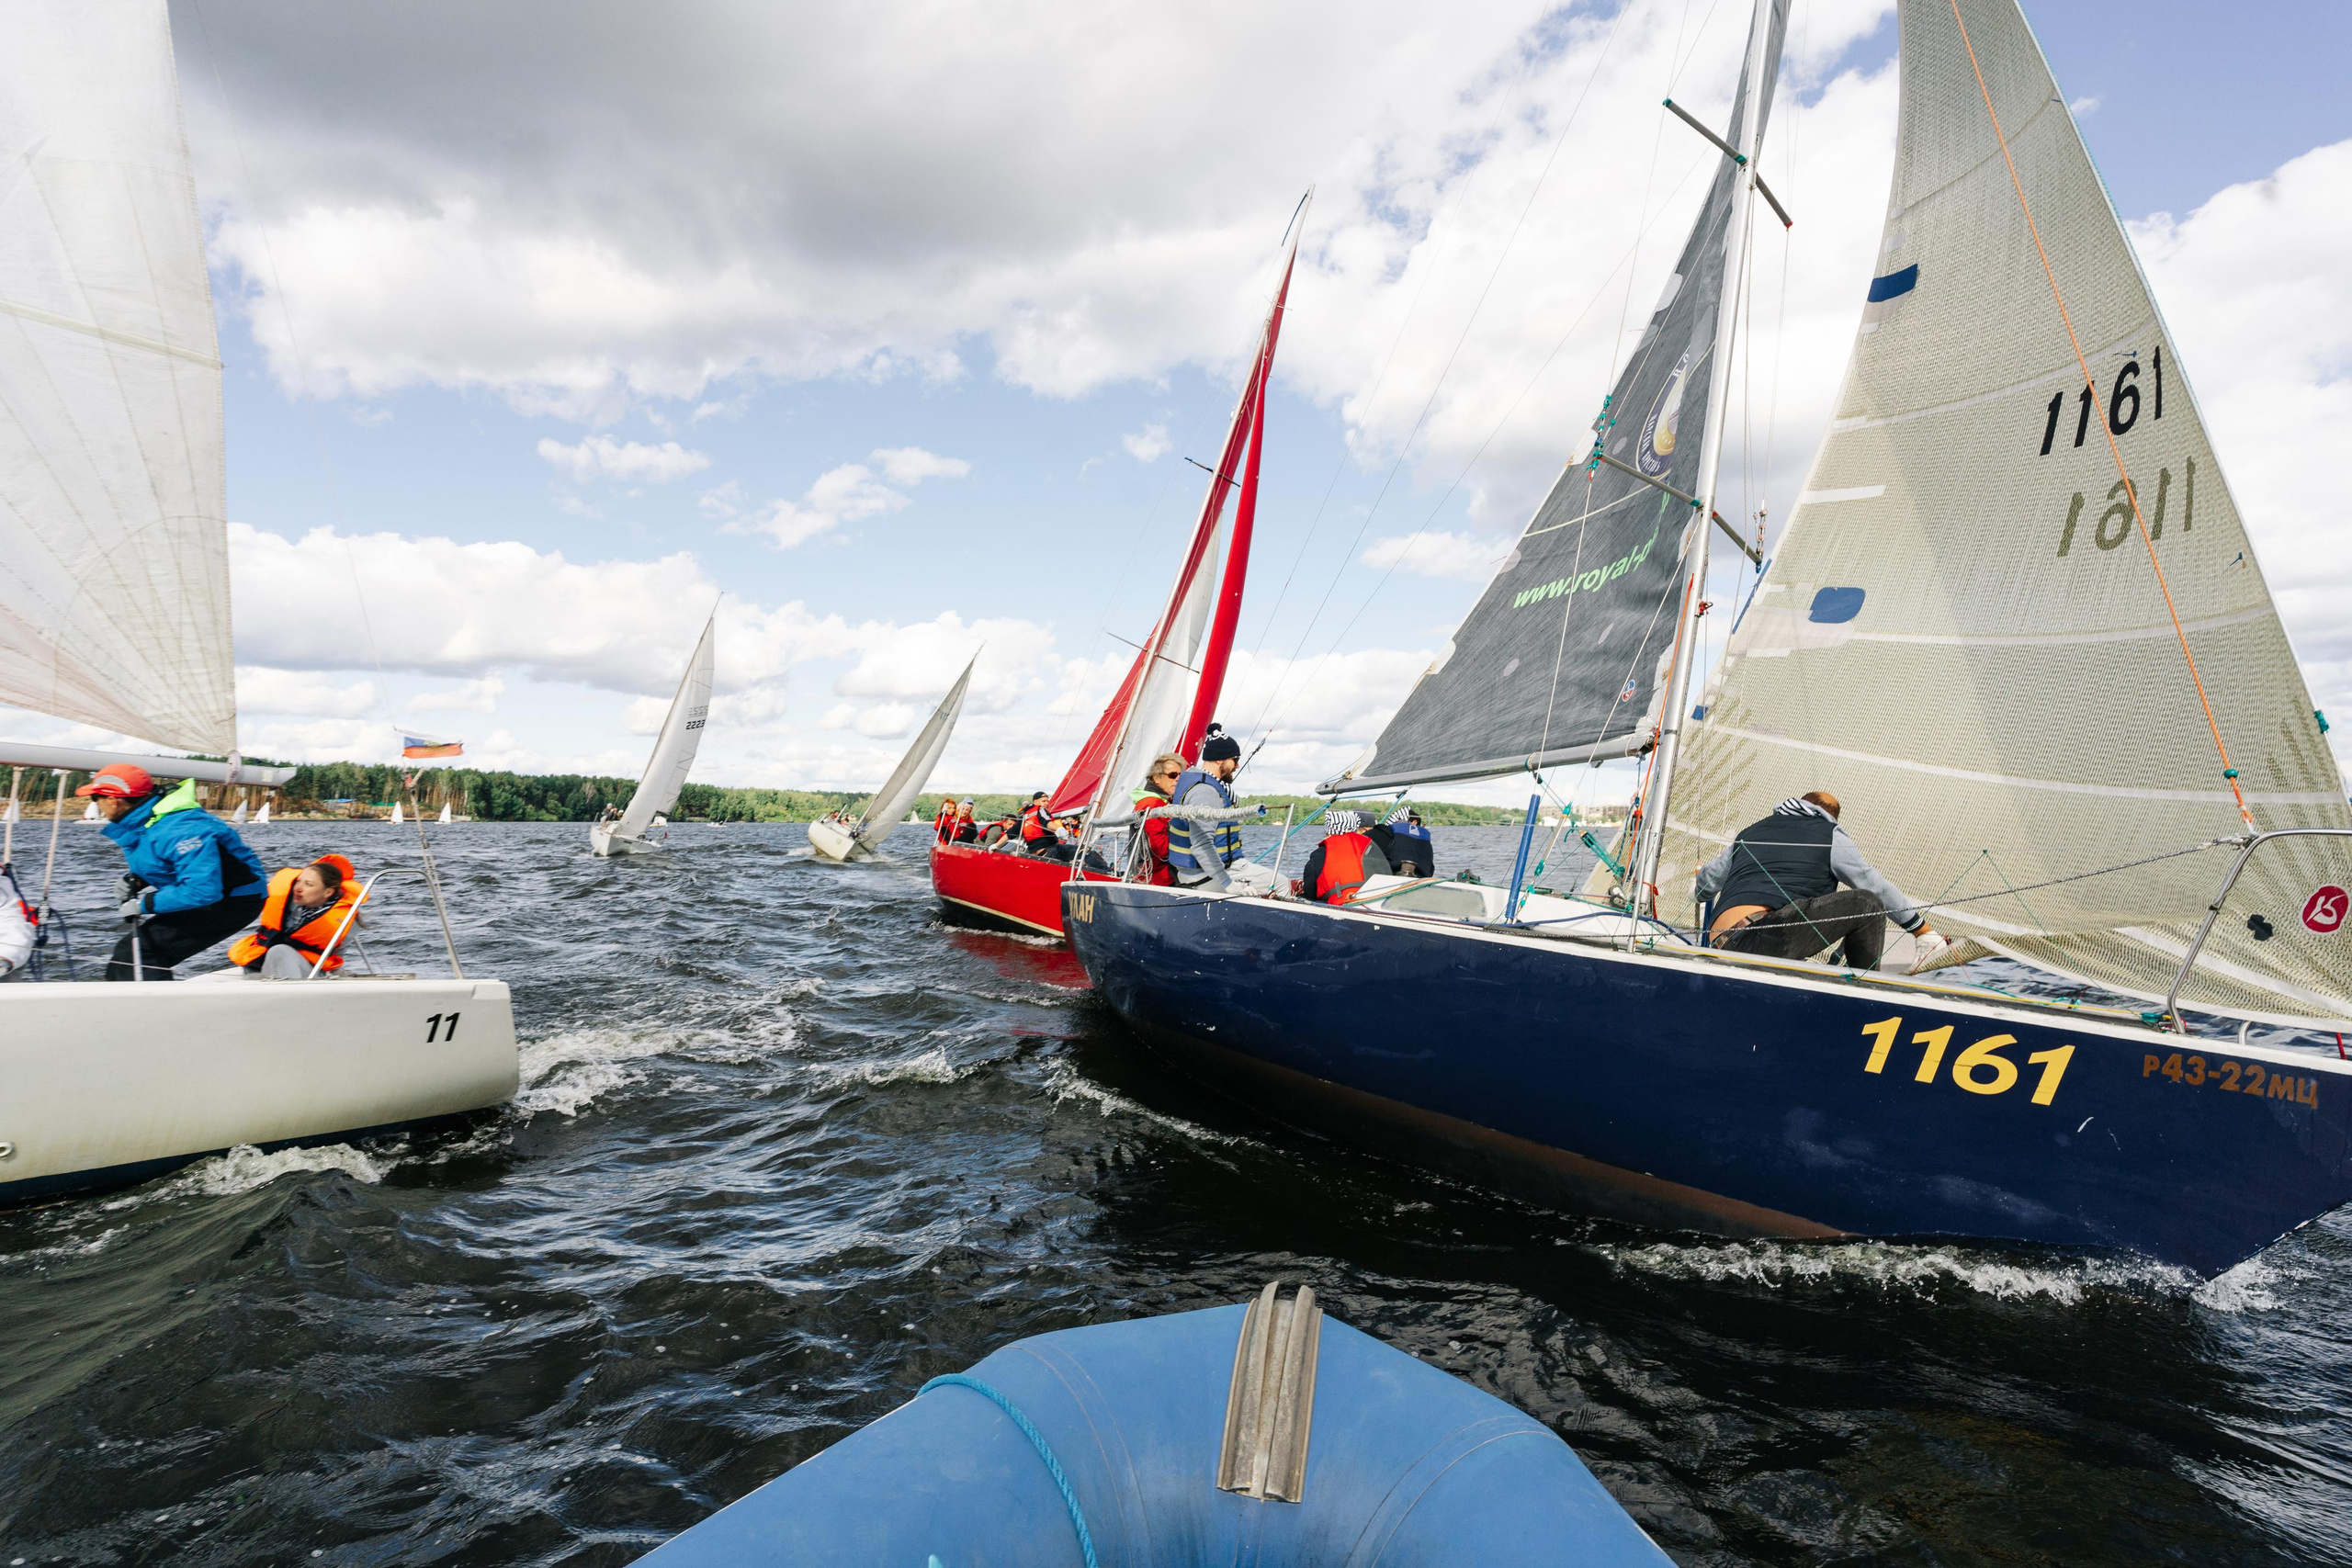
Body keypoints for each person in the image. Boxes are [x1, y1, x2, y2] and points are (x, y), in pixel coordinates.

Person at [1694, 791, 1947, 971]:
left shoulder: (1750, 832)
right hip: (1763, 937)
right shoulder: (1829, 834)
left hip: (1723, 945)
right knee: (1867, 903)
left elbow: (1705, 885)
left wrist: (1696, 888)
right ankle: (1866, 992)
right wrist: (1922, 931)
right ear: (1832, 817)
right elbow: (1875, 886)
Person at [83, 764, 268, 980]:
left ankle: (156, 1009)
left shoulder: (180, 828)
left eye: (95, 798)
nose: (96, 804)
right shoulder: (148, 821)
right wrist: (138, 881)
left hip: (235, 900)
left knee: (141, 953)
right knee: (132, 951)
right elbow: (168, 862)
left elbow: (202, 889)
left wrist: (144, 905)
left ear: (114, 800)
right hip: (211, 894)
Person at [227, 854, 367, 977]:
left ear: (328, 892)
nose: (298, 888)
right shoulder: (288, 902)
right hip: (270, 964)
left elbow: (336, 956)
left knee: (280, 951)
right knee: (268, 958)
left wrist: (341, 975)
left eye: (308, 884)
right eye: (298, 881)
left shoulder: (346, 919)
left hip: (309, 973)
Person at [1167, 725, 1252, 890]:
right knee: (1281, 884)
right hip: (1206, 872)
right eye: (1234, 759)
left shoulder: (1194, 781)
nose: (1237, 765)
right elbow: (1201, 845)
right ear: (1220, 760)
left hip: (1191, 870)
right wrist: (1229, 885)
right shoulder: (1206, 792)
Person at [1301, 810, 1390, 905]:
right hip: (1377, 902)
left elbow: (1310, 891)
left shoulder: (1319, 854)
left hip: (1341, 905)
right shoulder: (1368, 845)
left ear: (1328, 831)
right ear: (1355, 828)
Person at [1126, 753, 1184, 886]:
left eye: (1181, 776)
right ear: (1157, 778)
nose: (1178, 779)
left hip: (1154, 876)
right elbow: (1160, 848)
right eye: (1173, 775)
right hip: (1158, 879)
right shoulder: (1152, 804)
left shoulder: (1161, 802)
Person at [1369, 806, 1435, 879]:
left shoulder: (1384, 832)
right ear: (1414, 822)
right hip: (1420, 881)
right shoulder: (1425, 841)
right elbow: (1430, 870)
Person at [1019, 791, 1073, 863]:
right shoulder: (1040, 810)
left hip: (1035, 852)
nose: (1047, 803)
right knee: (1085, 853)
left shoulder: (1025, 816)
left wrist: (998, 845)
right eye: (1044, 801)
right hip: (1049, 850)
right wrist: (1059, 829)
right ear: (1035, 802)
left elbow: (1011, 833)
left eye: (1047, 801)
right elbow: (1046, 822)